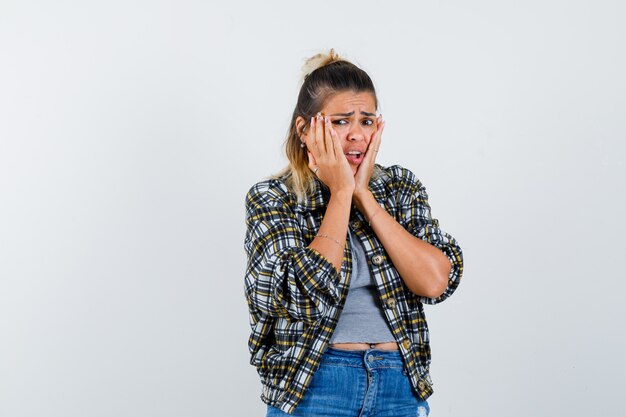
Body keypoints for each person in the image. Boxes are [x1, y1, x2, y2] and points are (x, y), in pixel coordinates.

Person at [244, 49, 464, 417]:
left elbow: (434, 282)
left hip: (399, 384)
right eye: (342, 122)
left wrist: (365, 195)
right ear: (305, 129)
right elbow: (300, 294)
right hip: (316, 386)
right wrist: (342, 194)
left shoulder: (399, 187)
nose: (357, 136)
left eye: (366, 121)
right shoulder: (274, 198)